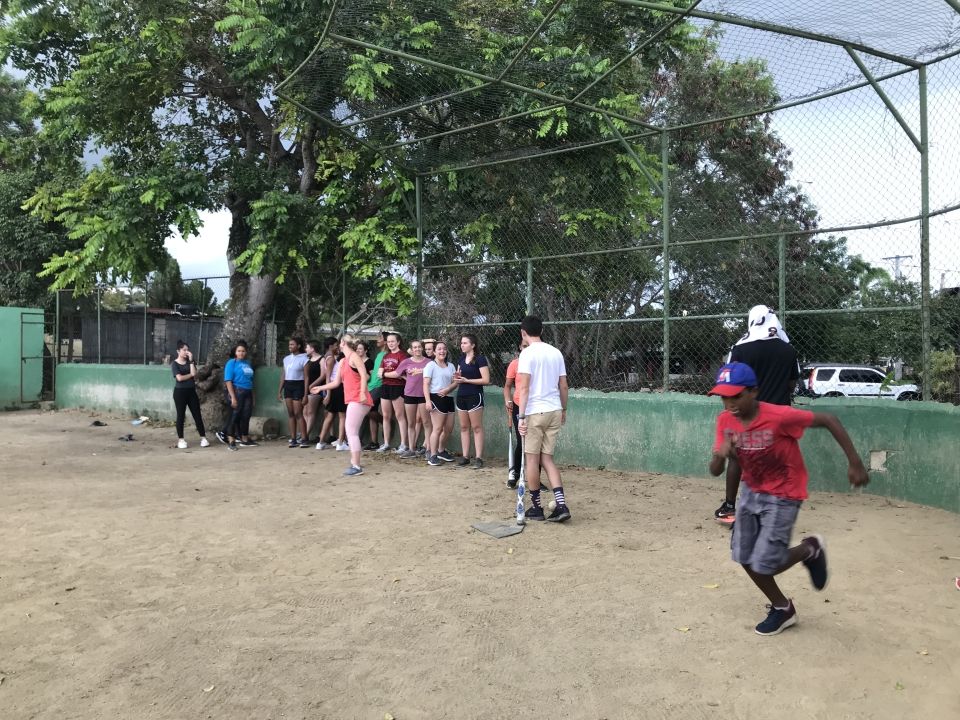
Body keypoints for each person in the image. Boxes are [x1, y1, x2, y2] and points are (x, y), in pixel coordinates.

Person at [707, 362, 868, 636]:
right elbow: (715, 470)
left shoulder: (779, 416)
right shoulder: (725, 421)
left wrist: (855, 463)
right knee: (744, 556)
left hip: (784, 492)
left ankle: (810, 549)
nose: (729, 402)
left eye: (736, 395)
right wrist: (722, 454)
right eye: (724, 396)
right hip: (752, 492)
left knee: (767, 562)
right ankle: (782, 608)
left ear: (753, 392)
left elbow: (829, 420)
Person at [715, 305, 800, 524]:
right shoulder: (788, 350)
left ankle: (730, 508)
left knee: (737, 458)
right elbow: (792, 384)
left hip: (747, 414)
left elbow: (729, 383)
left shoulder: (740, 349)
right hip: (780, 414)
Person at [515, 316, 570, 522]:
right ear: (542, 330)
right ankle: (561, 505)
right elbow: (563, 386)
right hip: (554, 409)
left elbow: (524, 387)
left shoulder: (527, 354)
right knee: (547, 458)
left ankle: (536, 508)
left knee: (532, 459)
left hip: (534, 412)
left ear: (523, 333)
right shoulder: (555, 352)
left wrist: (521, 417)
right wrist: (563, 409)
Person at [310, 335, 372, 476]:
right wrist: (321, 388)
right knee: (351, 431)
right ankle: (355, 462)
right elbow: (336, 382)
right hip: (353, 399)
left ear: (343, 343)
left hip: (359, 399)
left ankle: (356, 466)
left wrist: (362, 392)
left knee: (351, 432)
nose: (338, 345)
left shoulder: (354, 357)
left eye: (340, 342)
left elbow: (364, 375)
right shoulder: (343, 361)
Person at [388, 340, 431, 459]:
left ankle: (428, 449)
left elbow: (434, 374)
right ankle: (411, 449)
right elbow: (397, 373)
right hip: (409, 394)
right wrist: (383, 374)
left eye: (419, 347)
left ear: (422, 348)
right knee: (411, 423)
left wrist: (421, 371)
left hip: (424, 395)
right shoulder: (406, 362)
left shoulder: (429, 362)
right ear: (411, 350)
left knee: (426, 422)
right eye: (414, 347)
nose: (417, 349)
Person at [454, 333, 490, 468]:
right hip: (461, 395)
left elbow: (486, 380)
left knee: (476, 427)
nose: (462, 345)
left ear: (473, 345)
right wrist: (457, 378)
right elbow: (458, 379)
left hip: (474, 395)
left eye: (465, 343)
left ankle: (479, 458)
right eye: (461, 343)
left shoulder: (480, 359)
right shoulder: (461, 359)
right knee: (464, 427)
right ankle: (465, 456)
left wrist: (467, 380)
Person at [217, 340, 257, 451]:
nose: (241, 353)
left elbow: (251, 380)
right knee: (234, 416)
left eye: (243, 351)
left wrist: (253, 397)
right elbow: (228, 380)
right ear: (235, 352)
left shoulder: (248, 363)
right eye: (239, 351)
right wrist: (233, 397)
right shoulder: (231, 363)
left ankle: (244, 439)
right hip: (236, 391)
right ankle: (231, 440)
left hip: (248, 391)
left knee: (246, 416)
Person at [423, 341, 457, 465]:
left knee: (448, 428)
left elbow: (455, 382)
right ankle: (432, 455)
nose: (442, 351)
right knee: (437, 428)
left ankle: (441, 450)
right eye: (439, 349)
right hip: (436, 398)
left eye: (444, 349)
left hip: (449, 398)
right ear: (434, 352)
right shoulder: (431, 365)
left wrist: (448, 389)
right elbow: (425, 384)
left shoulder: (451, 366)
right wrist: (427, 401)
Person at [171, 340, 209, 449]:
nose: (186, 352)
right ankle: (181, 440)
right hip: (180, 393)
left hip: (191, 391)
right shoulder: (174, 364)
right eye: (184, 350)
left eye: (187, 350)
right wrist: (190, 375)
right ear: (178, 351)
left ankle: (203, 438)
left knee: (197, 414)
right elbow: (179, 378)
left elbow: (195, 374)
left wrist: (192, 361)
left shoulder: (190, 362)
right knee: (181, 416)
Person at [502, 339, 528, 488]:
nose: (527, 348)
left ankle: (533, 478)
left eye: (529, 346)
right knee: (522, 442)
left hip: (536, 408)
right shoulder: (514, 364)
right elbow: (507, 386)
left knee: (534, 445)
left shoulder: (538, 363)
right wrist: (508, 400)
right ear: (520, 347)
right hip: (519, 405)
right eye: (524, 346)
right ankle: (515, 474)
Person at [377, 332, 409, 453]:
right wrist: (389, 374)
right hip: (385, 386)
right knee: (385, 415)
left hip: (398, 387)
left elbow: (399, 374)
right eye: (388, 341)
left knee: (400, 416)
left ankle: (403, 444)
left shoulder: (403, 356)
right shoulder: (385, 356)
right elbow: (379, 374)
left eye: (392, 341)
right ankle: (386, 443)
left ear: (398, 342)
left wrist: (386, 374)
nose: (390, 343)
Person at [279, 336, 309, 448]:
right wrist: (279, 390)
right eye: (289, 344)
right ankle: (293, 438)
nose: (290, 346)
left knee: (298, 413)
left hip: (299, 385)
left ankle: (304, 438)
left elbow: (306, 377)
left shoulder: (304, 358)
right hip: (288, 385)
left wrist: (305, 394)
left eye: (292, 344)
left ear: (298, 346)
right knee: (291, 413)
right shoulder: (286, 359)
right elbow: (284, 375)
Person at [363, 332, 388, 450]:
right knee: (370, 413)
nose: (377, 340)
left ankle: (385, 422)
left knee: (367, 409)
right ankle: (374, 442)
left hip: (380, 385)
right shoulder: (379, 354)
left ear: (386, 341)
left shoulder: (387, 354)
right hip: (371, 385)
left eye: (380, 338)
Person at [302, 339, 325, 445]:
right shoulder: (307, 360)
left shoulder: (322, 359)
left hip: (316, 389)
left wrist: (313, 385)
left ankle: (305, 436)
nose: (305, 349)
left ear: (312, 348)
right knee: (305, 412)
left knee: (311, 412)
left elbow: (323, 375)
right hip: (306, 389)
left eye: (307, 347)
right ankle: (304, 434)